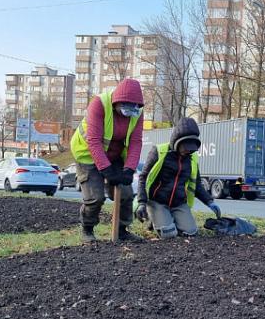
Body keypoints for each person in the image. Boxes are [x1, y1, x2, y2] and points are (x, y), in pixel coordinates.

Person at [70, 78, 144, 242]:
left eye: (133, 107)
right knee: (95, 197)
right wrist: (106, 170)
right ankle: (87, 229)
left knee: (125, 194)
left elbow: (136, 142)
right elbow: (94, 141)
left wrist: (129, 169)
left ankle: (122, 230)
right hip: (87, 154)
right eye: (125, 106)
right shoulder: (99, 104)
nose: (129, 111)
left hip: (115, 155)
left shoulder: (136, 112)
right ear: (117, 101)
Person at [135, 117, 221, 238]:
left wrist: (210, 201)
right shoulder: (159, 152)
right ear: (176, 142)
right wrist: (141, 203)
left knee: (191, 232)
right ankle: (154, 219)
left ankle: (168, 219)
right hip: (157, 201)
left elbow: (196, 185)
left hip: (178, 203)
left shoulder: (192, 159)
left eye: (191, 148)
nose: (188, 151)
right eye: (185, 147)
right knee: (169, 234)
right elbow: (143, 177)